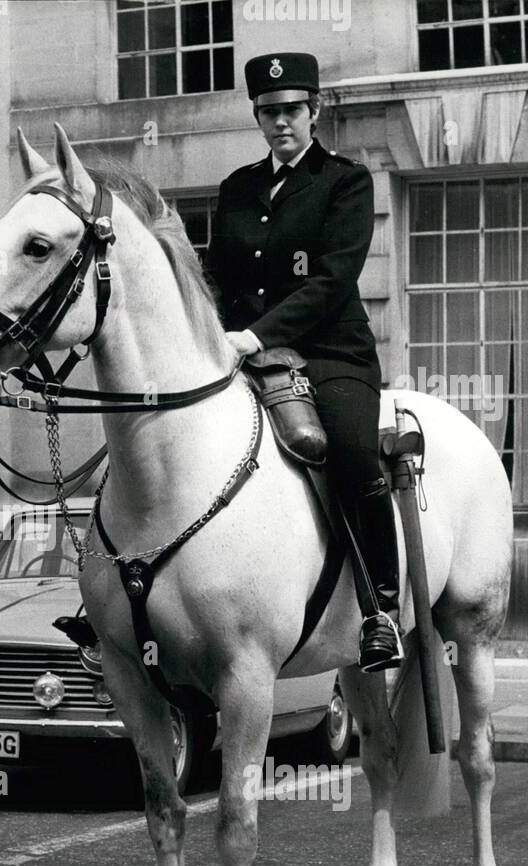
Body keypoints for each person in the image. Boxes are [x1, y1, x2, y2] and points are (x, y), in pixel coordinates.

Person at [204, 52, 402, 672]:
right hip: (242, 351)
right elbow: (216, 277)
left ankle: (381, 610)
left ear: (313, 111)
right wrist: (212, 332)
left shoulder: (346, 181)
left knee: (348, 451)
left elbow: (331, 282)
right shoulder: (237, 189)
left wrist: (254, 335)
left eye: (292, 110)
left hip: (328, 352)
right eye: (268, 113)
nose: (280, 122)